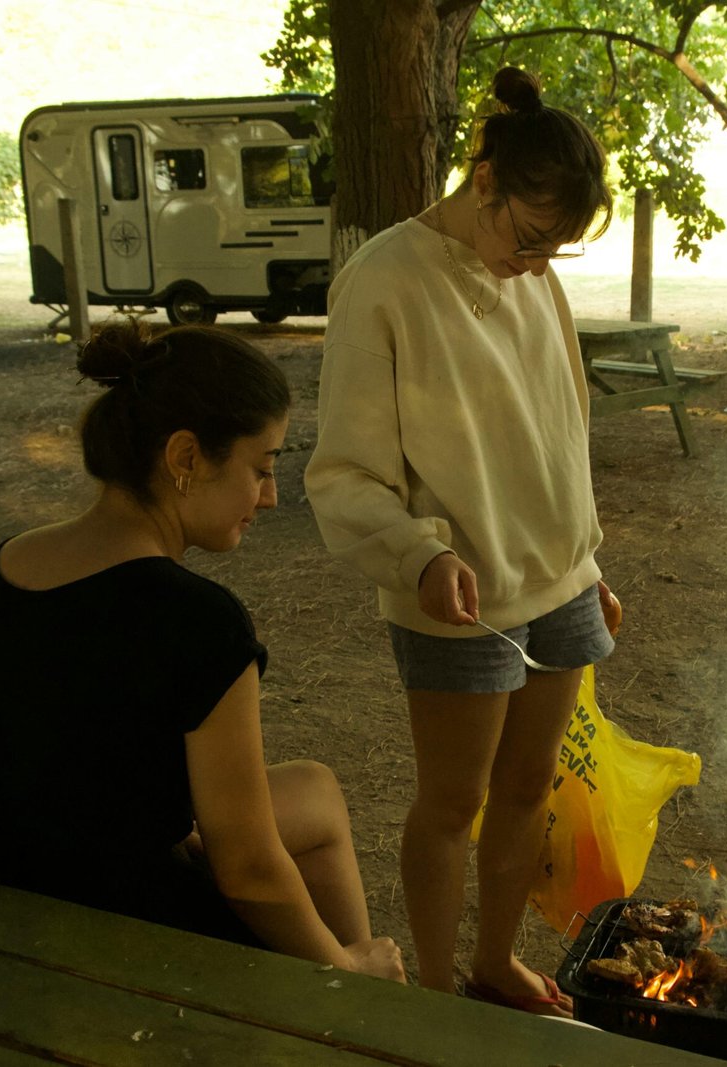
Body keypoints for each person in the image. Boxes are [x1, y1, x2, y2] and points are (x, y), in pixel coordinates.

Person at [0, 321, 403, 982]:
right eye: (260, 468)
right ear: (186, 458)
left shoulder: (2, 569)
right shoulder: (199, 621)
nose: (271, 494)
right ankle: (358, 1006)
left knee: (312, 790)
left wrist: (122, 821)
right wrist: (342, 966)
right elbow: (250, 870)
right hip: (115, 947)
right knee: (326, 938)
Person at [303, 67, 619, 1016]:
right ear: (483, 178)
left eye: (557, 247)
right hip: (460, 593)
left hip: (558, 585)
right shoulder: (385, 280)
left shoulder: (538, 280)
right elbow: (344, 473)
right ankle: (434, 1002)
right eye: (528, 236)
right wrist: (420, 556)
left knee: (527, 792)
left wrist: (586, 563)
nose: (535, 262)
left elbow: (562, 432)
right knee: (452, 807)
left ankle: (494, 961)